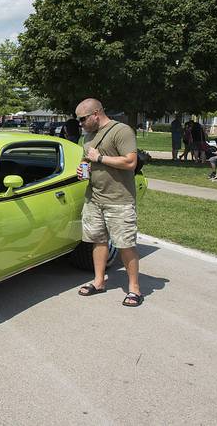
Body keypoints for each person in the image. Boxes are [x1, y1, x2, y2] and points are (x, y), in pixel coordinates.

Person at [75, 98, 143, 307]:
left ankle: (134, 289)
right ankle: (99, 281)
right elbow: (87, 161)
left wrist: (100, 158)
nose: (80, 124)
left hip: (119, 199)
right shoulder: (86, 137)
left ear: (96, 114)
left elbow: (131, 162)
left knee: (125, 244)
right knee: (98, 240)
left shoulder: (121, 131)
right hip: (94, 197)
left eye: (83, 119)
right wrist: (82, 171)